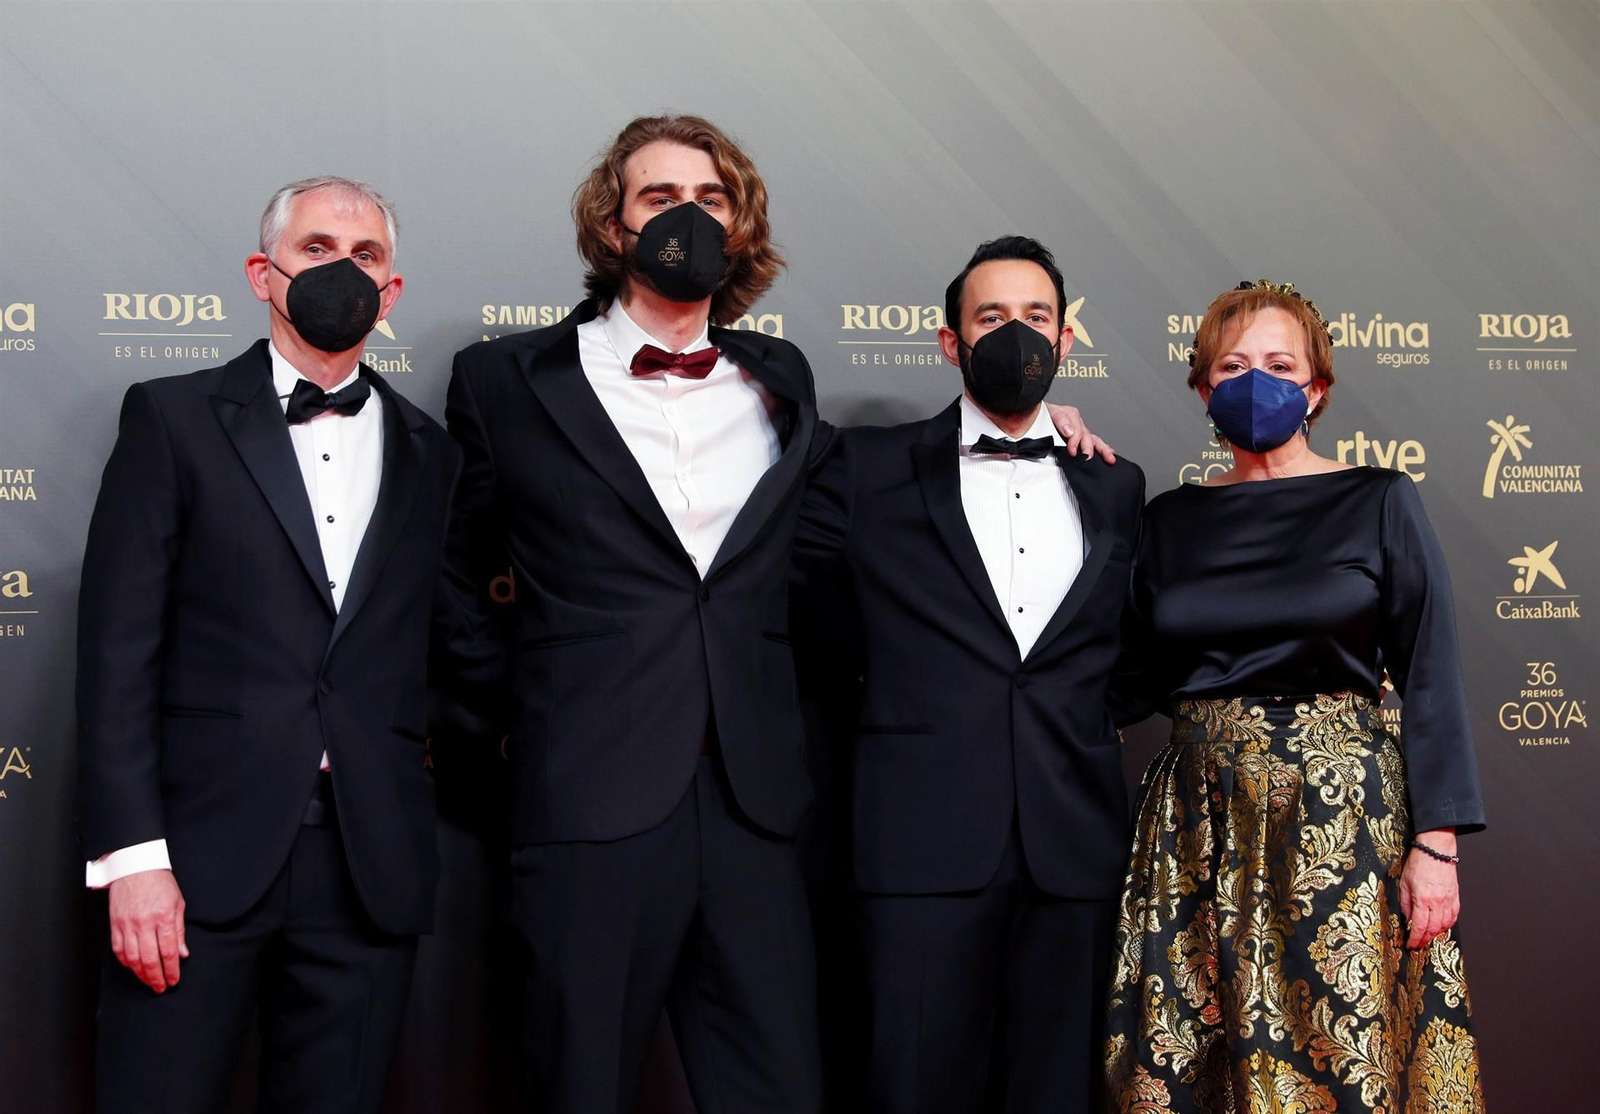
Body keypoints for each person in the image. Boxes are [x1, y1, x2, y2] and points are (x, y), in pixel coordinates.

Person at [77, 176, 458, 1114]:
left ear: (393, 290)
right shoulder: (172, 418)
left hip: (367, 865)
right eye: (318, 251)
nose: (344, 273)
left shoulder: (431, 450)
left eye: (365, 256)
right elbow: (116, 652)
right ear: (264, 273)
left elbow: (440, 647)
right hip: (197, 860)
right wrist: (135, 861)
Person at [1104, 281, 1486, 1112]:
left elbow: (1430, 671)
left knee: (1339, 1055)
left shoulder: (1379, 499)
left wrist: (1438, 845)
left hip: (1343, 824)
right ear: (1204, 389)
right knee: (1193, 1066)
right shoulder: (1167, 520)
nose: (1256, 383)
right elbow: (1123, 681)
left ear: (1317, 389)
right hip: (1197, 825)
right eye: (1233, 366)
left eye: (1280, 365)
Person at [791, 235, 1145, 1113]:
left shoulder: (1115, 483)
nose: (1015, 335)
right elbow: (804, 620)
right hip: (916, 845)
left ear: (1066, 343)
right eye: (992, 317)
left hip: (1074, 848)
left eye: (1036, 318)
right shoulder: (865, 466)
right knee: (908, 1086)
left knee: (1057, 1092)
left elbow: (1131, 652)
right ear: (951, 341)